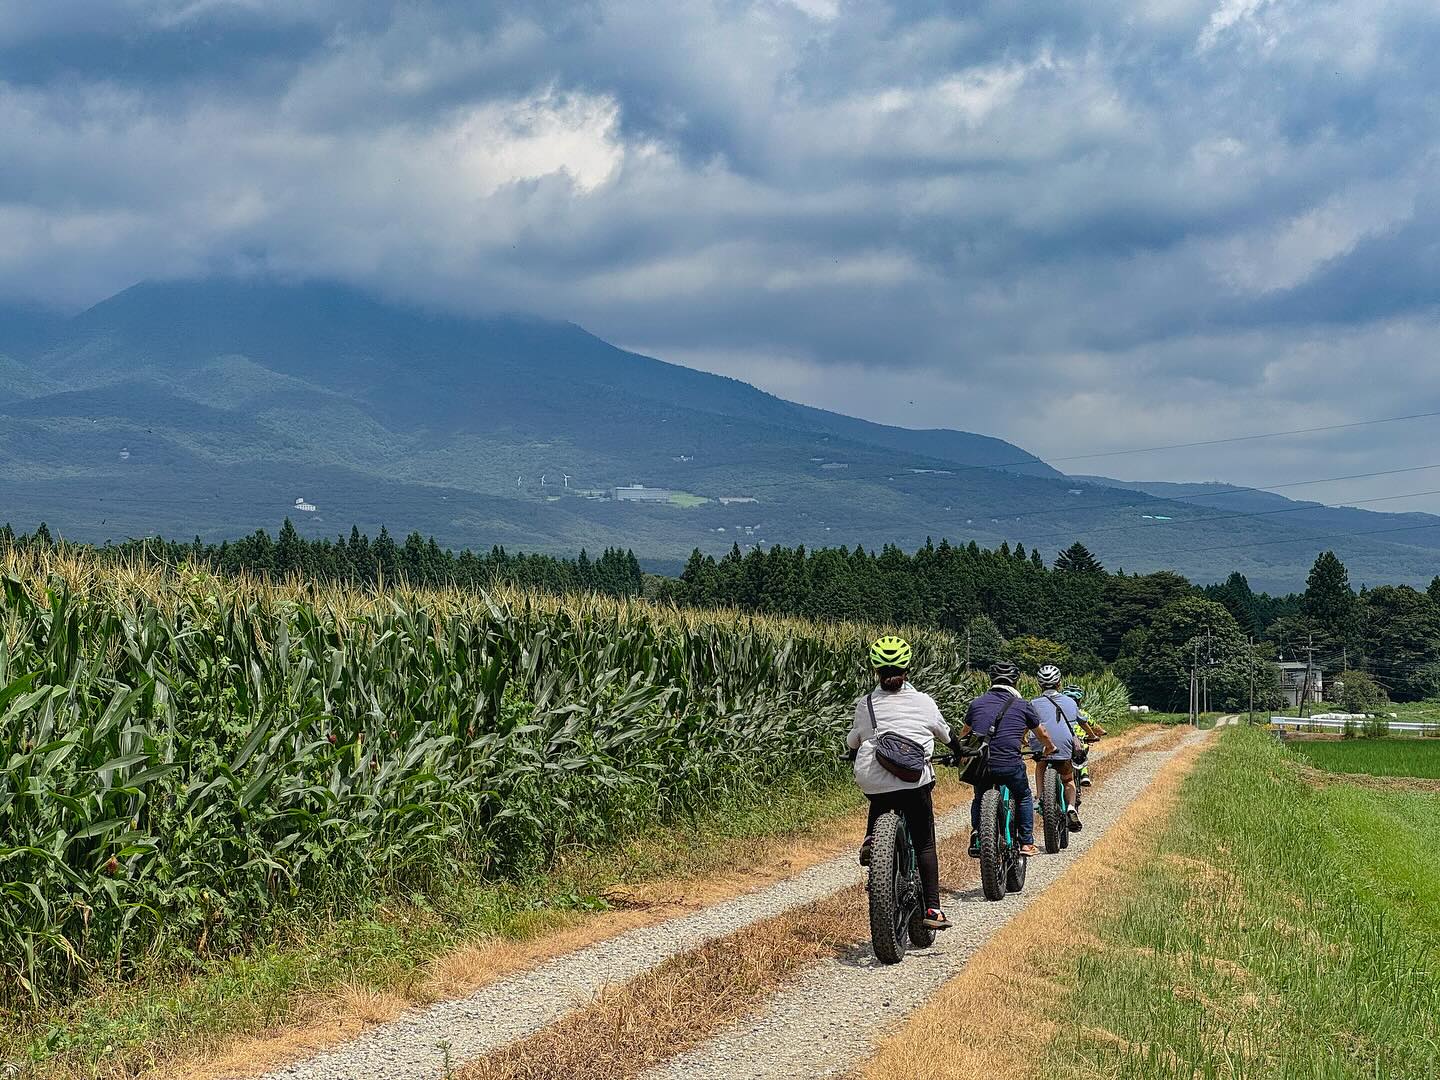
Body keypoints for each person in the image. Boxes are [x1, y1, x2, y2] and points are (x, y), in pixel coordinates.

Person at [847, 635, 955, 930]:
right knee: (924, 843)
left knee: (881, 798)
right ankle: (932, 909)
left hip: (874, 777)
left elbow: (854, 739)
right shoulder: (923, 701)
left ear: (875, 670)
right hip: (914, 779)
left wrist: (851, 751)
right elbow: (945, 735)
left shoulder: (866, 703)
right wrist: (959, 750)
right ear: (907, 670)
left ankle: (872, 839)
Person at [960, 659, 1057, 858]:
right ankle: (1027, 843)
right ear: (1015, 682)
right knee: (1023, 796)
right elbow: (1043, 734)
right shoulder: (1023, 705)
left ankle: (978, 832)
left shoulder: (976, 703)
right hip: (1009, 764)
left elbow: (964, 735)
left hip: (982, 764)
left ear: (992, 680)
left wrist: (960, 755)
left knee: (979, 797)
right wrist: (1050, 748)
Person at [1030, 665, 1083, 831]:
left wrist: (1022, 741)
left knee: (1040, 765)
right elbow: (1080, 720)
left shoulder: (1033, 703)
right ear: (1059, 683)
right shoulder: (1070, 702)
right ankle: (1071, 808)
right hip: (1064, 744)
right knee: (1068, 779)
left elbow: (1027, 726)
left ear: (1040, 684)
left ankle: (1039, 797)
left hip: (1041, 744)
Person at [1063, 683, 1103, 787]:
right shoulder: (1083, 714)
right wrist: (1101, 732)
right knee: (1083, 752)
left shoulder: (1059, 713)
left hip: (1063, 740)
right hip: (1080, 741)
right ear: (1079, 701)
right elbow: (1094, 727)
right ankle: (1084, 775)